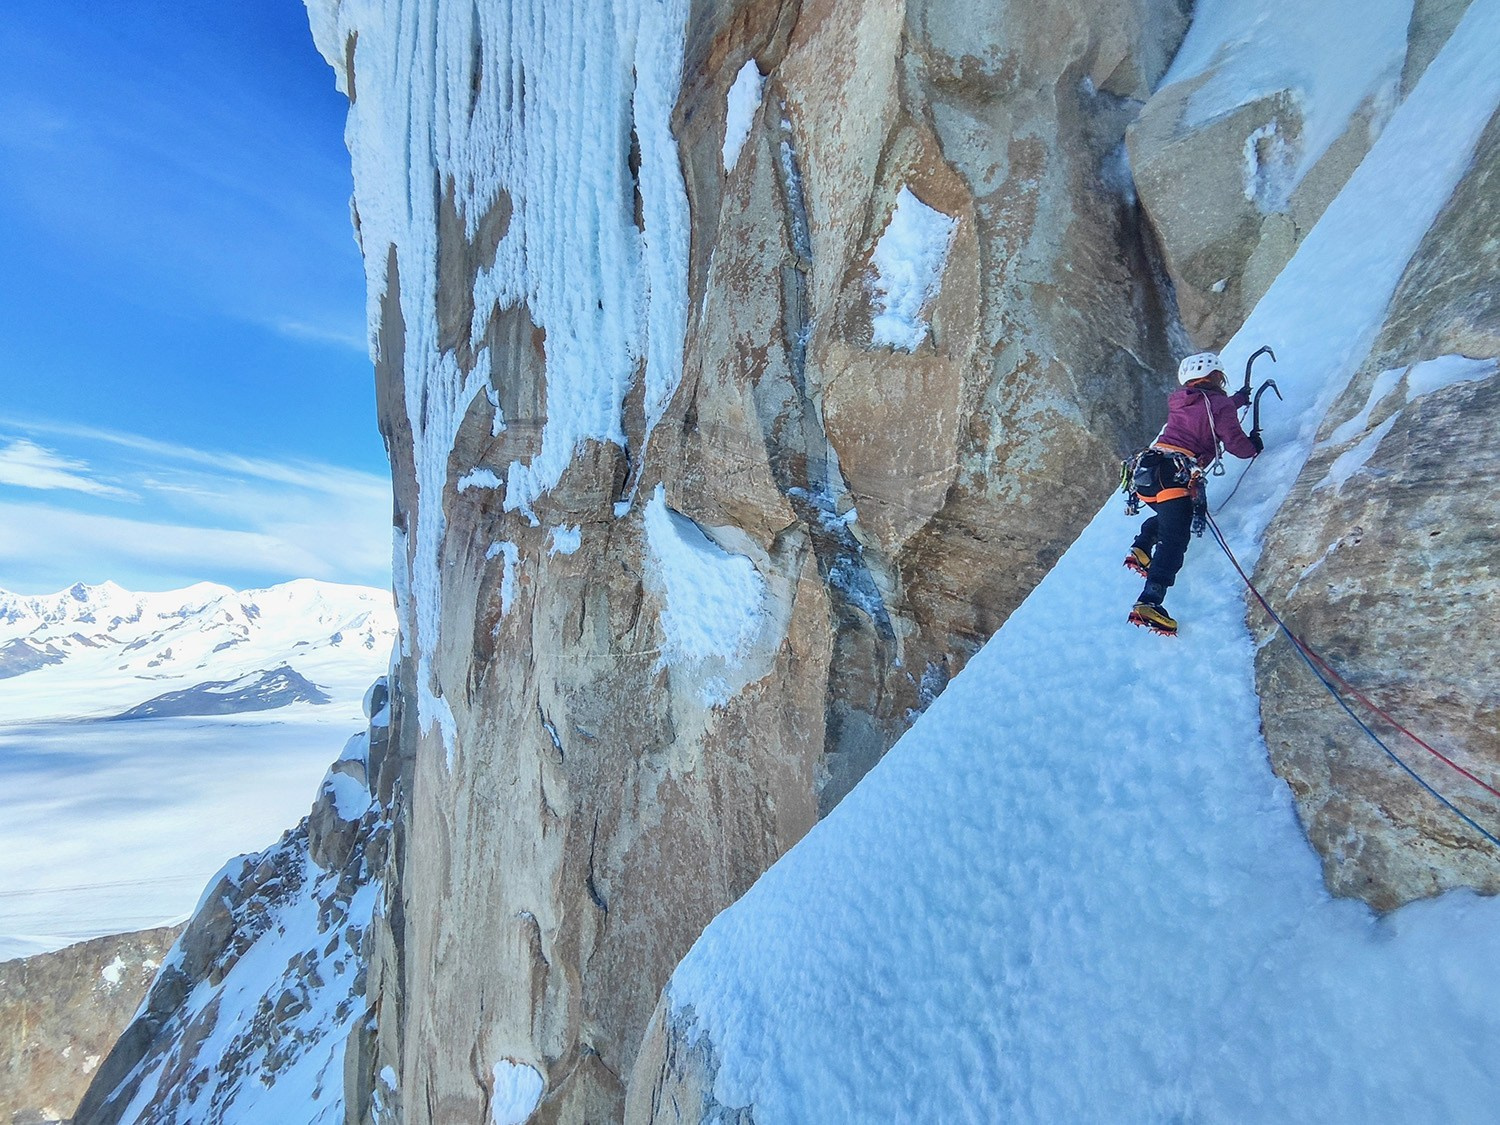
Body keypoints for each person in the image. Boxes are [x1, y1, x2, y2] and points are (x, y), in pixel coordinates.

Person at [1124, 351, 1262, 635]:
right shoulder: (1218, 404)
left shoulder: (1179, 401)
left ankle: (1141, 546)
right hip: (1175, 475)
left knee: (1173, 518)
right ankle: (1149, 602)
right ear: (1215, 376)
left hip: (1147, 475)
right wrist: (1254, 446)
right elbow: (1235, 443)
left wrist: (1237, 400)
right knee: (1174, 538)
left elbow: (1206, 411)